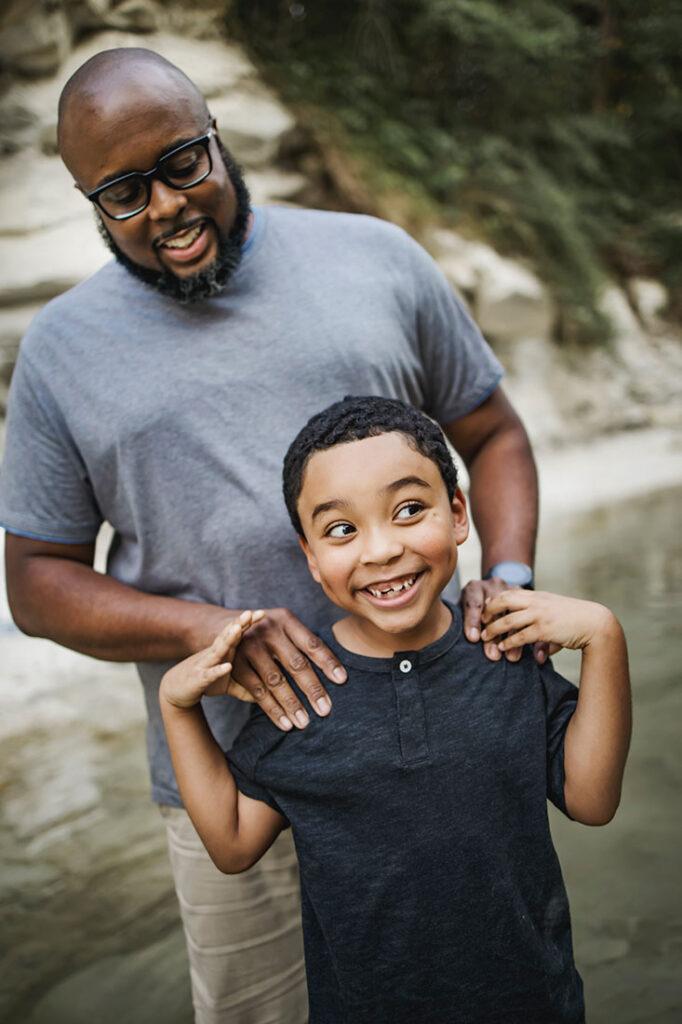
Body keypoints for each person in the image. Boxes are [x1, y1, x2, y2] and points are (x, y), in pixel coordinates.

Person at [0, 46, 541, 1023]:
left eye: (180, 164)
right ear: (89, 201)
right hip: (235, 778)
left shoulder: (376, 256)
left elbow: (492, 431)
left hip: (446, 743)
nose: (164, 207)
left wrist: (506, 579)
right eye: (122, 193)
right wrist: (204, 631)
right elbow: (36, 582)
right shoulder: (59, 352)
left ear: (217, 135)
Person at [160, 395, 632, 1024]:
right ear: (310, 557)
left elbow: (592, 800)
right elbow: (233, 844)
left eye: (409, 510)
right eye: (341, 530)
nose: (380, 549)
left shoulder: (503, 652)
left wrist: (604, 636)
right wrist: (176, 706)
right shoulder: (303, 691)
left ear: (458, 513)